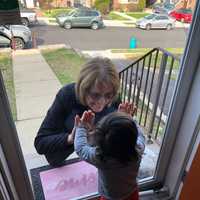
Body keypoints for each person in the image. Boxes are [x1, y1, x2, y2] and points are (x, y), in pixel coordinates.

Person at [34, 57, 122, 166]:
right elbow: (40, 143)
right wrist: (71, 138)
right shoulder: (67, 95)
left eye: (108, 95)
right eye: (95, 95)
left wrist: (124, 124)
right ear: (83, 89)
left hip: (98, 161)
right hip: (66, 163)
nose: (101, 102)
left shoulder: (114, 99)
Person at [74, 111, 145, 200]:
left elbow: (80, 148)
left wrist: (82, 127)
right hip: (131, 194)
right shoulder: (138, 151)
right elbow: (140, 135)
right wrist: (129, 118)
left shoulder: (100, 159)